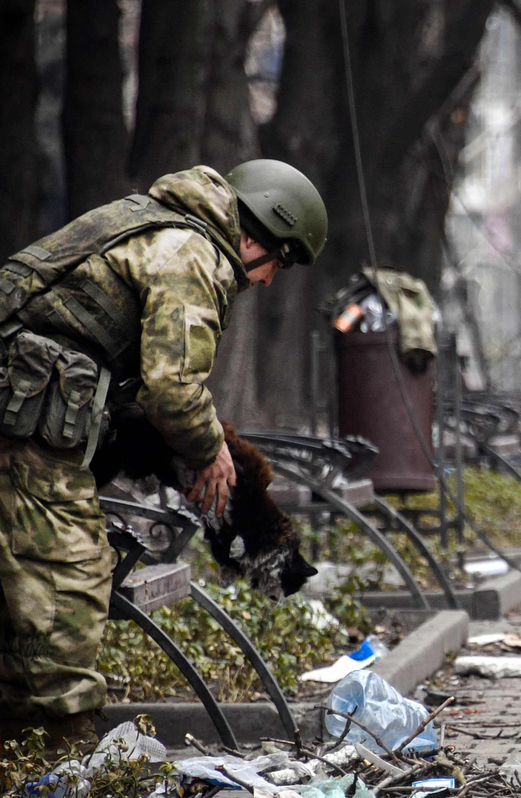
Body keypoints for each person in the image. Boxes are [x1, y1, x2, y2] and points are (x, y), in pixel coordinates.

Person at [0, 160, 327, 757]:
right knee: (66, 584)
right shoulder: (191, 253)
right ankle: (58, 754)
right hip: (24, 428)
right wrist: (209, 452)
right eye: (277, 261)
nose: (269, 280)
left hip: (31, 420)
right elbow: (172, 390)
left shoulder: (160, 225)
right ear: (254, 235)